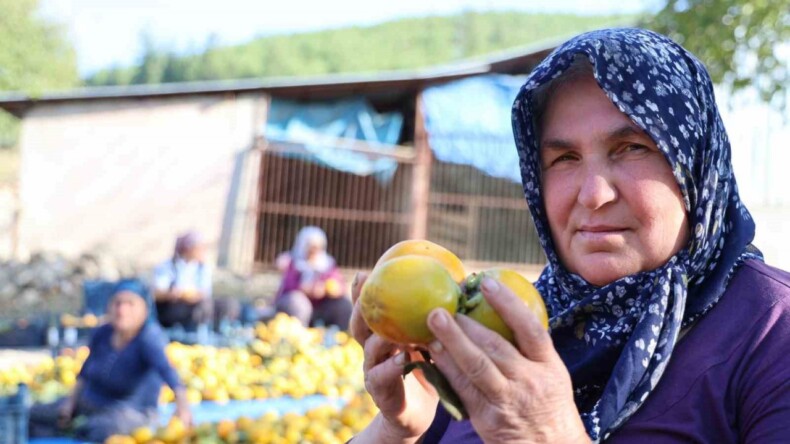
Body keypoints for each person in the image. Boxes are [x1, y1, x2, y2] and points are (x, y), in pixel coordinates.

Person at [349, 28, 790, 443]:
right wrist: (399, 430)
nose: (593, 194)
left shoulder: (771, 332)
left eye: (632, 148)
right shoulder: (508, 319)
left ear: (694, 165)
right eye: (563, 158)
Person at [29, 280, 191, 442]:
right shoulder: (103, 333)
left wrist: (182, 408)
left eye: (130, 304)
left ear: (144, 309)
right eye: (117, 303)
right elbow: (84, 374)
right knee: (33, 413)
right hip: (91, 404)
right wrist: (69, 404)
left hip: (131, 412)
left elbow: (169, 373)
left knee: (101, 429)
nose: (122, 310)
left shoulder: (148, 338)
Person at [275, 226, 352, 330]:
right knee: (298, 303)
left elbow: (340, 285)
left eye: (317, 248)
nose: (314, 251)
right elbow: (289, 285)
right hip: (297, 306)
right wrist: (306, 289)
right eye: (311, 247)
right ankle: (298, 336)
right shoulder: (294, 262)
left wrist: (327, 290)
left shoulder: (327, 264)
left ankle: (340, 335)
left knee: (344, 305)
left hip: (322, 306)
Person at [152, 231, 213, 329]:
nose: (202, 251)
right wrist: (175, 294)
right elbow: (157, 293)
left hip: (196, 306)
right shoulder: (168, 266)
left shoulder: (202, 268)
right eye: (199, 247)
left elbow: (204, 292)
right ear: (189, 248)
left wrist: (194, 296)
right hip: (172, 306)